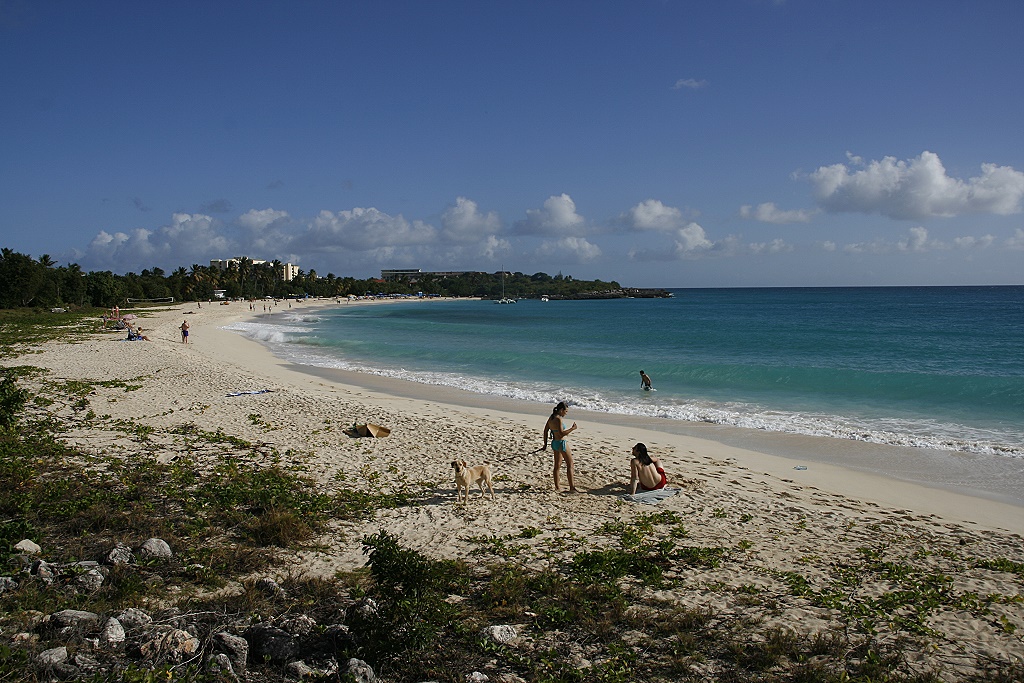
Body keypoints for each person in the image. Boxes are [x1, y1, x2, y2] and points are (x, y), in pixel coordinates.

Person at [543, 401, 578, 493]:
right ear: (561, 410)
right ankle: (572, 488)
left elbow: (545, 430)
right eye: (565, 411)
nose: (566, 413)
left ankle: (557, 487)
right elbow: (562, 433)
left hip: (554, 443)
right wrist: (572, 429)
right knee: (570, 464)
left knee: (557, 466)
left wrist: (545, 444)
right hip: (561, 443)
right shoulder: (558, 419)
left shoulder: (551, 417)